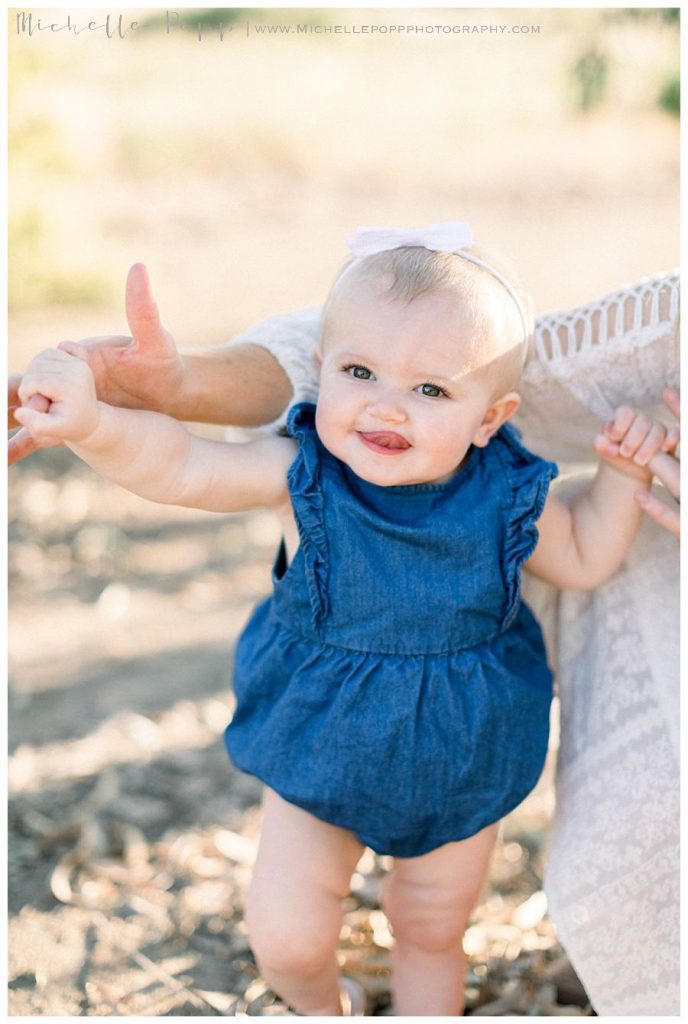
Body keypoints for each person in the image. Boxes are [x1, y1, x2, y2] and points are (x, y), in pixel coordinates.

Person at [12, 223, 673, 1016]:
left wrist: (620, 475)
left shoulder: (508, 496)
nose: (386, 405)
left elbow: (587, 559)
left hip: (464, 749)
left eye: (432, 390)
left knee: (430, 927)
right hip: (320, 741)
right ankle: (326, 1004)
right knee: (287, 939)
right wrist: (92, 424)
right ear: (321, 375)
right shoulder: (305, 477)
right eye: (360, 371)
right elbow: (181, 466)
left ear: (490, 418)